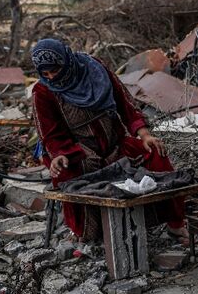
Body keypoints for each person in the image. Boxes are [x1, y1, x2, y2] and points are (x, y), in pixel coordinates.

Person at [30, 38, 187, 242]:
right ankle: (85, 233)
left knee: (155, 153)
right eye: (46, 74)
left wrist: (144, 134)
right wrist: (58, 155)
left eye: (55, 70)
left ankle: (174, 224)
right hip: (79, 151)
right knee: (66, 174)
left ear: (66, 61)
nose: (52, 77)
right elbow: (49, 134)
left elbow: (125, 103)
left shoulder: (95, 69)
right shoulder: (42, 92)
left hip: (115, 143)